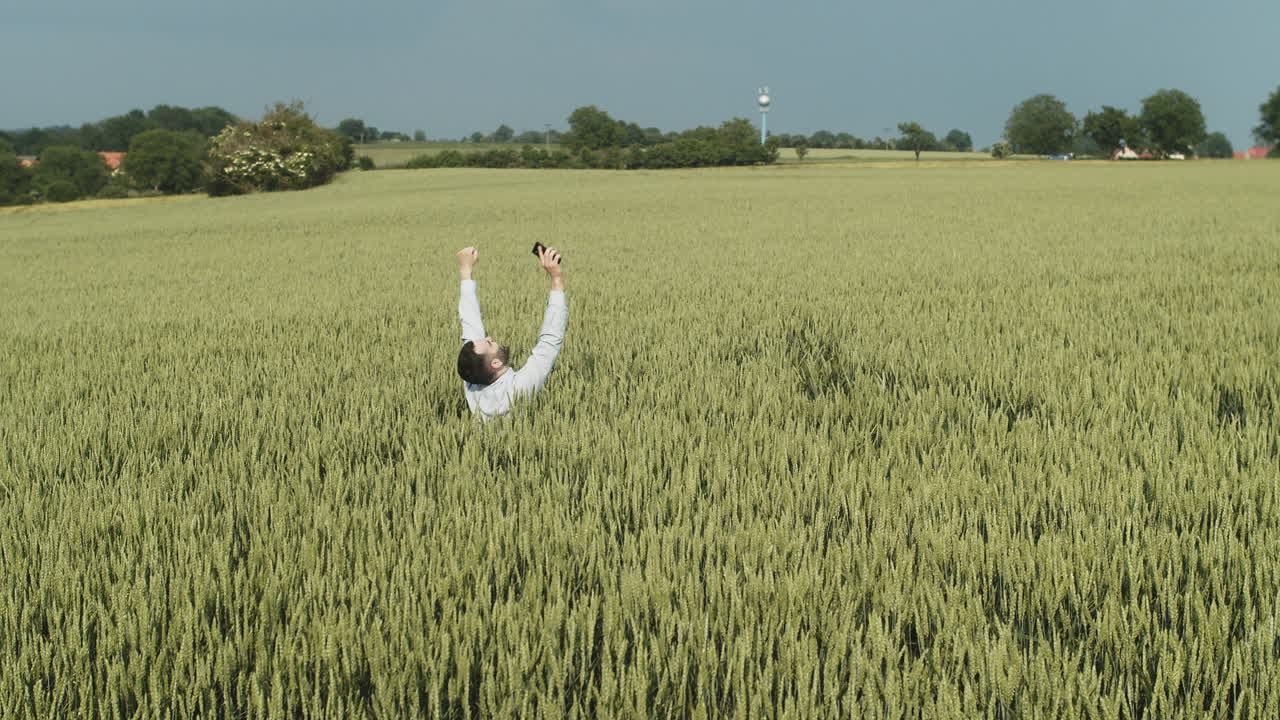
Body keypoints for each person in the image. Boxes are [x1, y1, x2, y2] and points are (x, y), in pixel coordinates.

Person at [456, 245, 567, 421]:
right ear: (496, 362)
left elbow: (470, 323)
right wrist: (556, 278)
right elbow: (549, 342)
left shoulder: (473, 381)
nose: (490, 338)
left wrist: (465, 270)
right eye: (489, 343)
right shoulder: (518, 390)